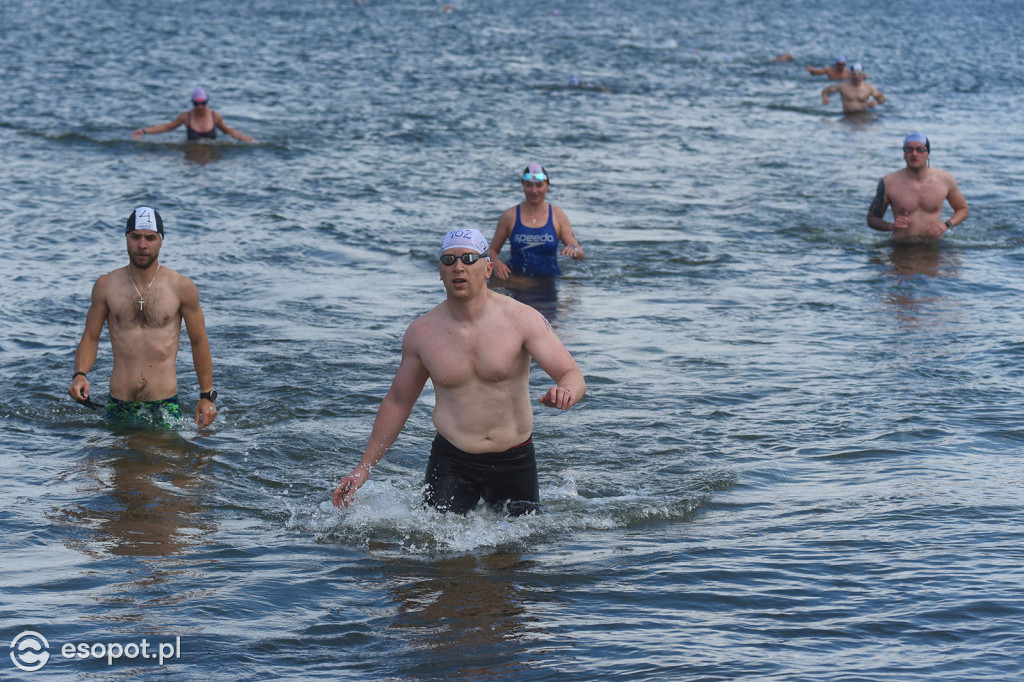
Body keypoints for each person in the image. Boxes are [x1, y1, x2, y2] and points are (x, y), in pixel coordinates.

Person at [333, 228, 586, 515]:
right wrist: (364, 467)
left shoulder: (522, 319)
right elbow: (398, 401)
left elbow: (571, 373)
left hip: (514, 459)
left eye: (468, 258)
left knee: (518, 557)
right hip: (452, 459)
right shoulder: (423, 333)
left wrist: (565, 392)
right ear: (440, 272)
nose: (458, 267)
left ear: (488, 267)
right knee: (436, 552)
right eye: (449, 260)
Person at [68, 207, 219, 428]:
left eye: (150, 238)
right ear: (126, 238)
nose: (142, 244)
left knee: (163, 462)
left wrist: (207, 395)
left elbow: (199, 341)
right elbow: (91, 336)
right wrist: (80, 374)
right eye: (135, 237)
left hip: (164, 405)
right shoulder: (106, 286)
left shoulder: (181, 287)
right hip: (118, 404)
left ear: (161, 241)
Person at [867, 133, 969, 242]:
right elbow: (872, 219)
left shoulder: (945, 180)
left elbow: (963, 209)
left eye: (920, 150)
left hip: (934, 245)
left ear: (928, 154)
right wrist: (891, 226)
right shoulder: (889, 182)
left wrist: (946, 225)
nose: (914, 154)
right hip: (902, 246)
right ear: (904, 154)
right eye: (909, 149)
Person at [489, 164, 585, 279]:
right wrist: (497, 264)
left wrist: (573, 249)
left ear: (547, 186)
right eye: (529, 185)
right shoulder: (510, 215)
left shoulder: (557, 215)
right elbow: (492, 250)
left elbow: (580, 252)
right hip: (517, 282)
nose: (534, 191)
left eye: (539, 185)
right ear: (523, 186)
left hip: (549, 282)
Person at [131, 87, 254, 142]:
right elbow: (167, 127)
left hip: (211, 155)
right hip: (191, 154)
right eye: (196, 104)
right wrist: (144, 131)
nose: (199, 107)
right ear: (192, 103)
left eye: (203, 103)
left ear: (207, 102)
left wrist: (246, 139)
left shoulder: (215, 116)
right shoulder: (186, 117)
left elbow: (228, 131)